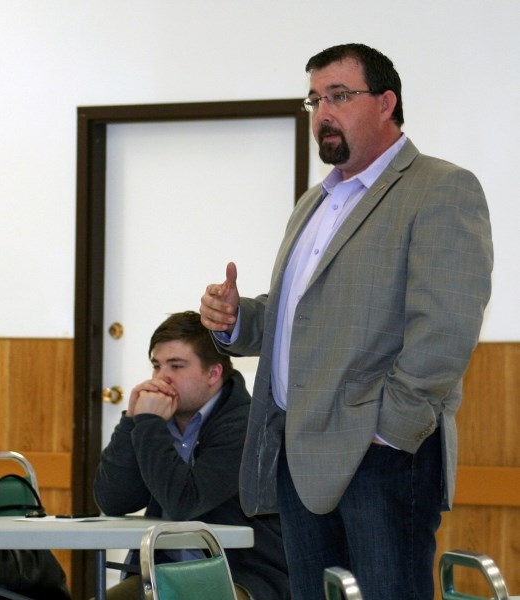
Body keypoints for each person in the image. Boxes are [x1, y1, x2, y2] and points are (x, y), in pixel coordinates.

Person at [199, 43, 493, 600]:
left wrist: (388, 433)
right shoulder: (316, 202)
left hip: (380, 455)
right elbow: (305, 315)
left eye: (339, 96)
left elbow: (446, 329)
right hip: (299, 453)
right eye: (314, 101)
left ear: (386, 103)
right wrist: (240, 320)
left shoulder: (440, 188)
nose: (322, 113)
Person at [94, 311, 290, 600]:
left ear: (213, 374)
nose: (162, 378)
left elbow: (186, 502)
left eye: (176, 366)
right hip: (162, 574)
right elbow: (113, 500)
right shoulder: (158, 422)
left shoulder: (247, 426)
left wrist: (149, 424)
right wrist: (131, 421)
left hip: (241, 574)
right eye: (156, 366)